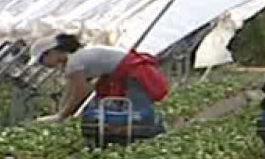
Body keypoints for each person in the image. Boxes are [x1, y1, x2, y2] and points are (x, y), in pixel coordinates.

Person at [29, 33, 169, 123]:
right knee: (129, 112)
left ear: (51, 53)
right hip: (129, 73)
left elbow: (81, 91)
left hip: (134, 74)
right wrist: (60, 113)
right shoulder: (76, 58)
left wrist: (61, 116)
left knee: (137, 115)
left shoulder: (75, 62)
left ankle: (151, 135)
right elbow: (71, 90)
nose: (44, 65)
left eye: (42, 61)